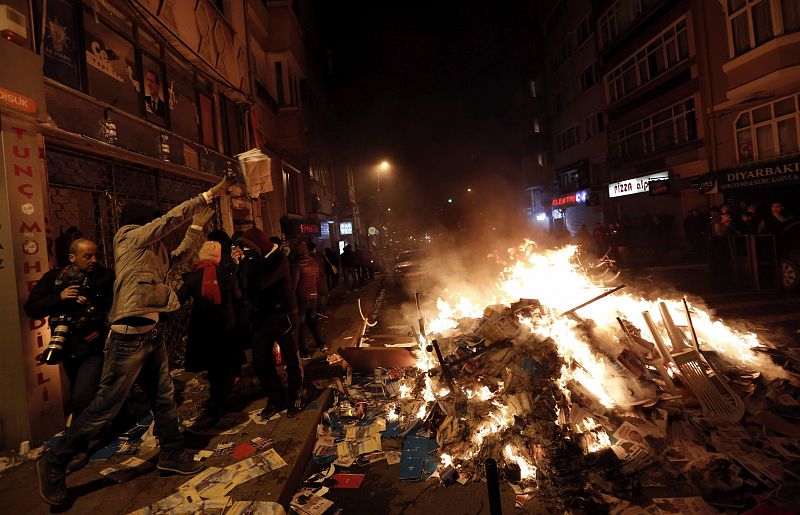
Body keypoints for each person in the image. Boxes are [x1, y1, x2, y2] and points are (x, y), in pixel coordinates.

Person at [37, 175, 234, 506]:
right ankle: (54, 461)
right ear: (142, 223)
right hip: (128, 335)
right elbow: (166, 222)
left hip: (152, 333)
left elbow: (180, 257)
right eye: (152, 221)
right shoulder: (128, 237)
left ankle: (171, 454)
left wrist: (197, 229)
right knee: (105, 406)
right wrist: (205, 196)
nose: (157, 225)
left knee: (164, 397)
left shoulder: (153, 250)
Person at [24, 238, 114, 471]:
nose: (94, 260)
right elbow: (32, 308)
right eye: (88, 256)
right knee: (79, 393)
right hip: (66, 347)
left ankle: (77, 448)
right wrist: (60, 298)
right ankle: (87, 433)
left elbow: (111, 305)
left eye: (95, 255)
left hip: (93, 346)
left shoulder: (104, 276)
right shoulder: (54, 279)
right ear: (72, 257)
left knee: (82, 396)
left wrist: (89, 306)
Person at [239, 228, 303, 419]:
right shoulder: (254, 261)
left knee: (291, 360)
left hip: (284, 316)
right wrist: (242, 264)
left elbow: (259, 283)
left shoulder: (279, 259)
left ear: (259, 244)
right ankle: (276, 398)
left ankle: (295, 399)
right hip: (262, 318)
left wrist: (245, 264)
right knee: (260, 361)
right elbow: (244, 288)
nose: (247, 250)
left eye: (250, 246)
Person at [178, 241, 240, 419]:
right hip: (224, 326)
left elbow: (178, 300)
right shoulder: (226, 275)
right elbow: (237, 295)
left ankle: (217, 400)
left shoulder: (193, 277)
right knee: (222, 364)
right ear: (219, 257)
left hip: (203, 326)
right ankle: (221, 398)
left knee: (213, 367)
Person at [291, 242, 327, 359]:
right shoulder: (314, 262)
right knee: (313, 321)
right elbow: (317, 279)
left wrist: (291, 295)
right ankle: (322, 344)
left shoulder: (297, 265)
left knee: (301, 325)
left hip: (302, 298)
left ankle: (305, 352)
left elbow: (294, 284)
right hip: (314, 296)